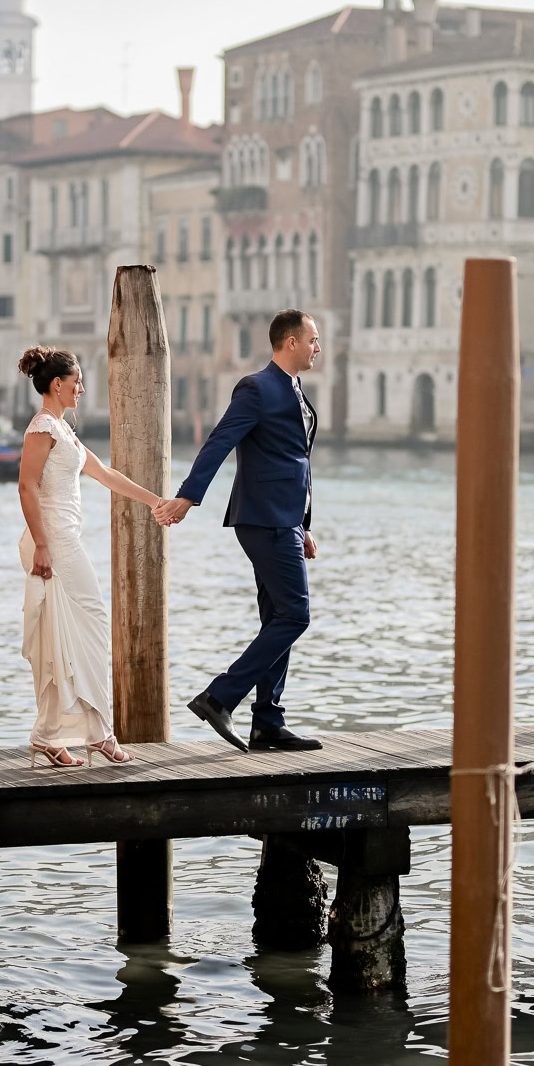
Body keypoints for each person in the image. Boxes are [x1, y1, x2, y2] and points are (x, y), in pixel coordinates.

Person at [153, 309, 323, 753]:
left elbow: (297, 463)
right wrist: (188, 496)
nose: (317, 347)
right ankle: (220, 697)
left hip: (283, 520)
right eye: (312, 340)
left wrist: (303, 525)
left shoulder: (297, 391)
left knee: (277, 618)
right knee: (295, 615)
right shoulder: (257, 388)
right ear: (289, 342)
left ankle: (267, 721)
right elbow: (219, 441)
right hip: (262, 518)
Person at [17, 346, 169, 767]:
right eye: (77, 381)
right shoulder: (42, 429)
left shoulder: (64, 431)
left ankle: (49, 735)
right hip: (55, 541)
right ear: (57, 384)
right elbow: (26, 487)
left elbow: (105, 474)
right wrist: (42, 544)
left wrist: (155, 501)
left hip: (64, 539)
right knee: (92, 625)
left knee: (63, 638)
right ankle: (99, 734)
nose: (82, 388)